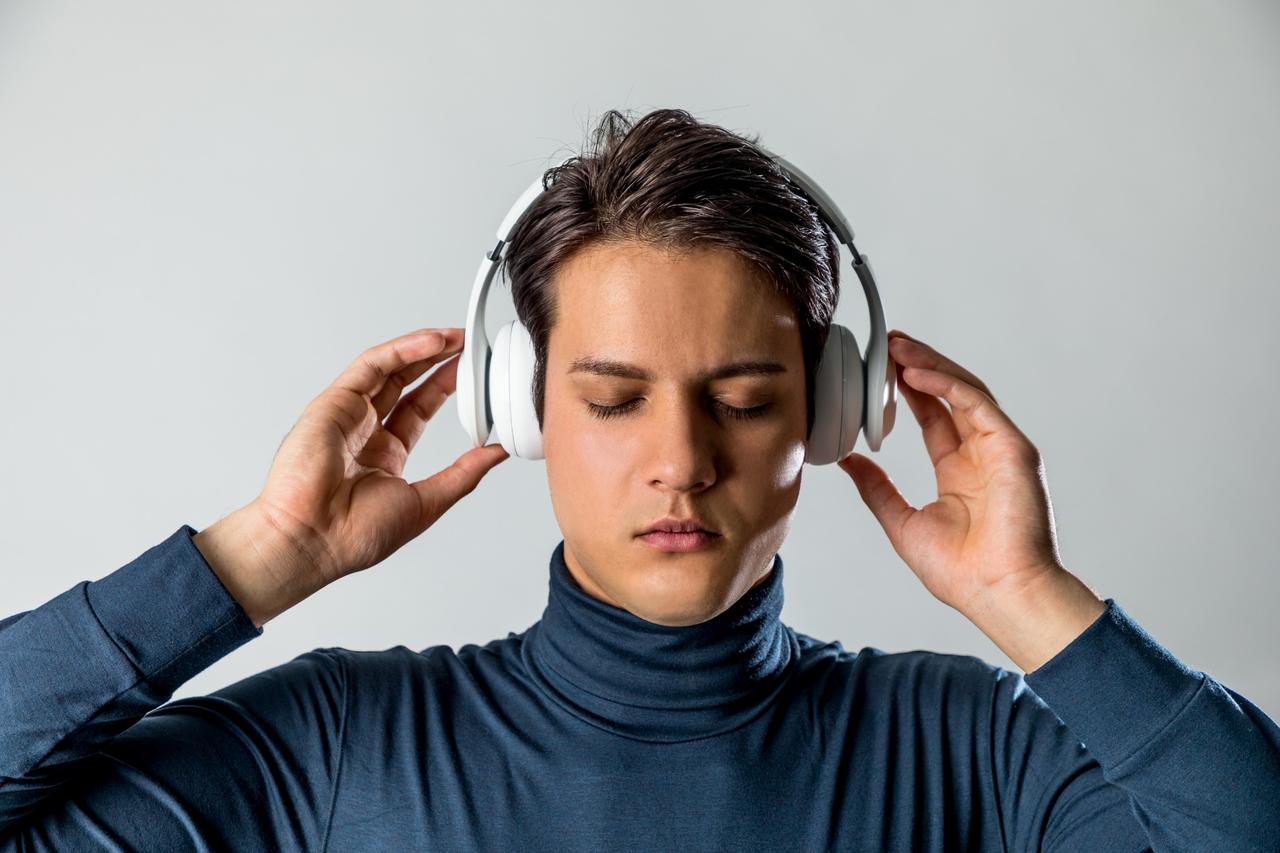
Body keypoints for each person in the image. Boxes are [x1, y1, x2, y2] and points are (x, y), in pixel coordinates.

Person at [1, 108, 1277, 852]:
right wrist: (255, 557)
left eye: (742, 399)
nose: (680, 459)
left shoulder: (966, 747)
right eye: (613, 401)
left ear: (832, 416)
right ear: (523, 406)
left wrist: (1025, 598)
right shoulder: (336, 745)